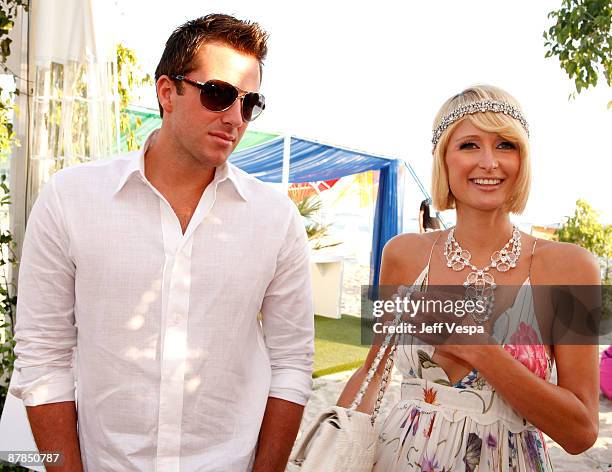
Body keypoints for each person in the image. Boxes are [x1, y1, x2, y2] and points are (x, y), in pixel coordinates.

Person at [11, 14, 314, 472]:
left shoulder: (276, 220)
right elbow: (43, 356)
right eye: (219, 94)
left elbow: (291, 362)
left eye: (250, 103)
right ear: (167, 93)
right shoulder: (71, 198)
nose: (235, 117)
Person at [337, 85, 600, 470]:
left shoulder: (571, 267)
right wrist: (336, 444)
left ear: (523, 159)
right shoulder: (403, 254)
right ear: (444, 159)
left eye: (505, 145)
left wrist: (481, 351)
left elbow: (582, 433)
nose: (490, 162)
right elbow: (373, 372)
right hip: (397, 458)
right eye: (469, 145)